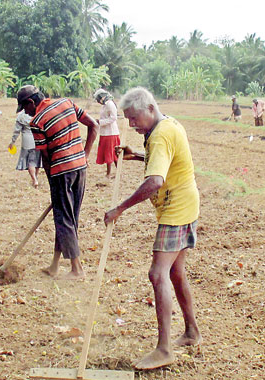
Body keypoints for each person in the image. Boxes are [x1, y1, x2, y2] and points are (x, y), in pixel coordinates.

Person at [104, 87, 201, 370]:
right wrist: (136, 156)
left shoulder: (159, 135)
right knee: (175, 271)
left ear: (149, 108)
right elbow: (164, 162)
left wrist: (119, 208)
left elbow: (156, 181)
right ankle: (192, 332)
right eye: (128, 120)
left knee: (157, 274)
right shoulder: (166, 124)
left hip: (177, 210)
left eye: (134, 119)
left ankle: (164, 349)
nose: (131, 125)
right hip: (182, 204)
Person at [16, 85, 99, 280]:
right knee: (69, 218)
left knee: (64, 219)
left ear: (31, 103)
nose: (26, 113)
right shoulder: (66, 103)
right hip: (80, 169)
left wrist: (54, 184)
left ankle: (77, 269)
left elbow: (46, 157)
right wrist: (84, 155)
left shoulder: (37, 122)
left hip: (61, 173)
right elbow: (94, 125)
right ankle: (54, 266)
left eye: (25, 109)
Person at [9, 110, 42, 188]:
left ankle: (34, 179)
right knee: (36, 160)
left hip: (27, 140)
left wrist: (12, 142)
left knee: (30, 162)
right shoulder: (38, 113)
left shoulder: (21, 116)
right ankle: (36, 177)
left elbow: (16, 131)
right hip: (37, 139)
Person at [93, 89, 121, 179]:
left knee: (112, 154)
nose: (97, 101)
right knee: (109, 153)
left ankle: (109, 174)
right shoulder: (105, 105)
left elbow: (113, 118)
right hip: (105, 133)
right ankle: (116, 173)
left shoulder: (110, 104)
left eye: (98, 99)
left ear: (102, 97)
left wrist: (100, 122)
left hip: (111, 133)